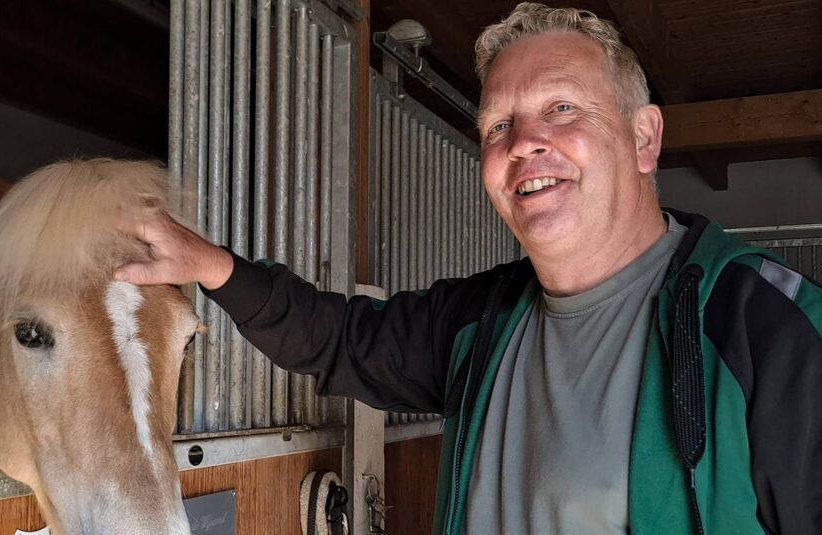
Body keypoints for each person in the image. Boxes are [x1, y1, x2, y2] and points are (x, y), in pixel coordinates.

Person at [115, 3, 822, 533]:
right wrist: (210, 265)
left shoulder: (772, 327)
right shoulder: (480, 322)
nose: (524, 144)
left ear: (642, 138)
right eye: (497, 126)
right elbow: (337, 339)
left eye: (561, 107)